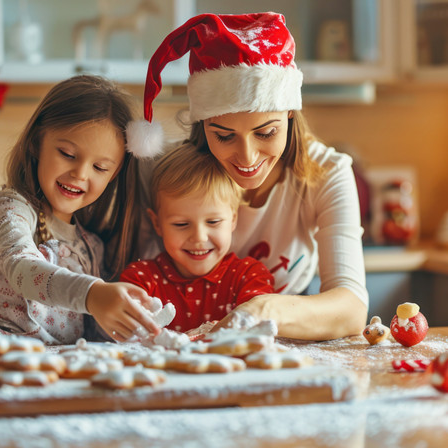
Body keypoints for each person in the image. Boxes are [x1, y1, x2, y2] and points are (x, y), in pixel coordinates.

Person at [125, 12, 368, 340]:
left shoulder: (328, 173)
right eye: (224, 136)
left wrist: (262, 310)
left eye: (266, 132)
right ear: (202, 125)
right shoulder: (169, 174)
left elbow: (351, 308)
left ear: (290, 115)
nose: (248, 158)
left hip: (282, 341)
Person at [0, 75, 162, 350]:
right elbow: (22, 268)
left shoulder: (92, 247)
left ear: (114, 176)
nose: (80, 174)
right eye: (68, 153)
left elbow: (93, 335)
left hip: (47, 369)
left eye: (100, 168)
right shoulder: (7, 209)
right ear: (36, 142)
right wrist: (93, 294)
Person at [119, 143, 275, 332]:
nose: (199, 237)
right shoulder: (141, 280)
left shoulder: (249, 276)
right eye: (181, 224)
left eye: (213, 222)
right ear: (157, 223)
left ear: (233, 219)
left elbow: (257, 329)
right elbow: (126, 335)